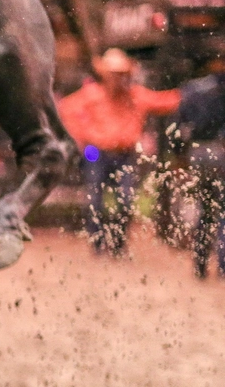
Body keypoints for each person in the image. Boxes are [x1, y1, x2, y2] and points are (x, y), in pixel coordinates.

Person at [58, 48, 180, 256]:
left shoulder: (136, 95)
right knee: (95, 199)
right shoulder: (92, 95)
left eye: (122, 73)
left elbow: (166, 101)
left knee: (125, 199)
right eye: (115, 73)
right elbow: (64, 109)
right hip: (95, 153)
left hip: (125, 155)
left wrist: (197, 92)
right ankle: (97, 243)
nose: (119, 78)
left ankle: (118, 243)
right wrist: (81, 136)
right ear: (106, 75)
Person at [176, 61, 225, 278]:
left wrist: (179, 155)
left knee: (204, 210)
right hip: (220, 150)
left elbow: (178, 126)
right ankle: (223, 264)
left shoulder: (191, 89)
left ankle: (200, 264)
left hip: (197, 152)